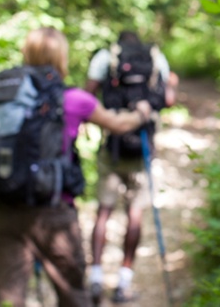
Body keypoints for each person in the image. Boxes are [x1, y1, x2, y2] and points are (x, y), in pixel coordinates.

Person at [0, 27, 152, 307]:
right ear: (62, 56)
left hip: (5, 208)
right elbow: (119, 124)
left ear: (26, 54)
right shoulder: (74, 100)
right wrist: (142, 113)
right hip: (54, 212)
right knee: (73, 297)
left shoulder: (3, 94)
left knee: (8, 299)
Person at [85, 30, 175, 304]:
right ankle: (124, 282)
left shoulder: (105, 57)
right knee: (135, 214)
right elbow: (168, 100)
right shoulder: (156, 57)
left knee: (103, 212)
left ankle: (96, 278)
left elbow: (88, 97)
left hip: (111, 146)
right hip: (144, 146)